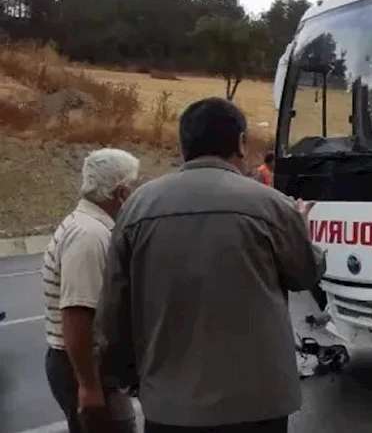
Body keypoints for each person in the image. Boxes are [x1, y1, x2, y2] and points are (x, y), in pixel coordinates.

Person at [96, 97, 325, 433]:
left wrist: (126, 376)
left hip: (171, 406)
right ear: (242, 143)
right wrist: (301, 229)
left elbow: (113, 314)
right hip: (259, 404)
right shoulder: (273, 206)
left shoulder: (136, 208)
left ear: (183, 144)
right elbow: (305, 274)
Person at [42, 148, 140, 433]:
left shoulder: (91, 226)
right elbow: (76, 314)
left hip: (89, 368)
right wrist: (89, 387)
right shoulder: (90, 236)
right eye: (134, 187)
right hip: (83, 369)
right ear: (121, 193)